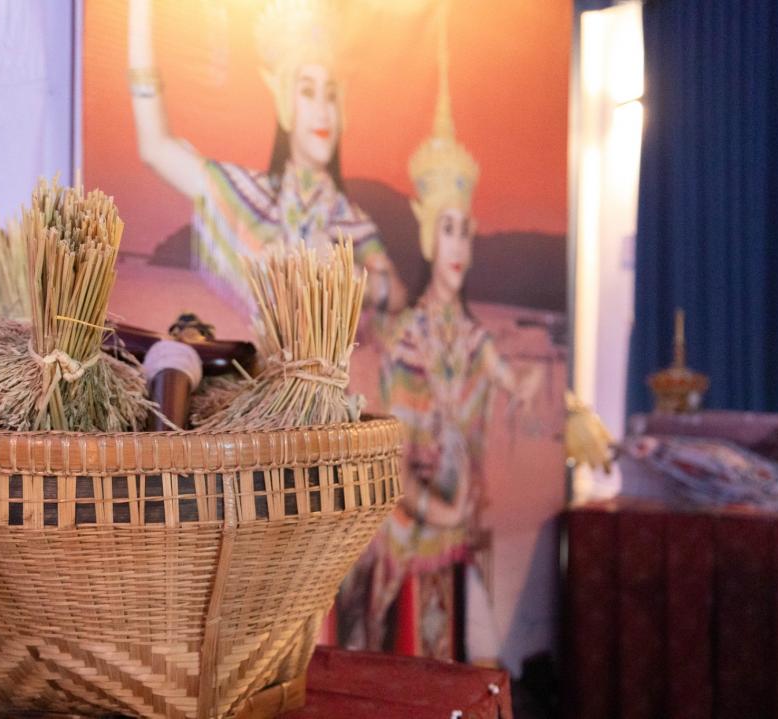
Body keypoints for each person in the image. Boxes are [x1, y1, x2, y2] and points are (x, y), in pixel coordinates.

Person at [338, 14, 542, 660]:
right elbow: (392, 456)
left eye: (465, 229)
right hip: (415, 523)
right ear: (429, 234)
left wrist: (534, 390)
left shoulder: (473, 338)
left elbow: (508, 379)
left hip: (458, 527)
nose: (458, 245)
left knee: (463, 654)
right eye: (446, 228)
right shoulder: (406, 337)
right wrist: (438, 507)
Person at [127, 0, 405, 320]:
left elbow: (396, 296)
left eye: (330, 95)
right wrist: (140, 11)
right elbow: (156, 148)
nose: (322, 111)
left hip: (328, 354)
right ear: (285, 100)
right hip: (251, 351)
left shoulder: (350, 222)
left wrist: (348, 276)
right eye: (307, 92)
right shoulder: (250, 196)